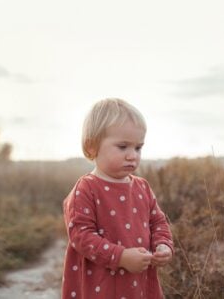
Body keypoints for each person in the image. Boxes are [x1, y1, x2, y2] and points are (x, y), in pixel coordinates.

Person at [61, 98, 173, 299]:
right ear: (92, 146)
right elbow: (81, 235)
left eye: (138, 147)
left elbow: (158, 222)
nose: (132, 155)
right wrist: (120, 257)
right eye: (123, 147)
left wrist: (163, 245)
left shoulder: (142, 187)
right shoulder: (87, 188)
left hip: (138, 283)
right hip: (100, 283)